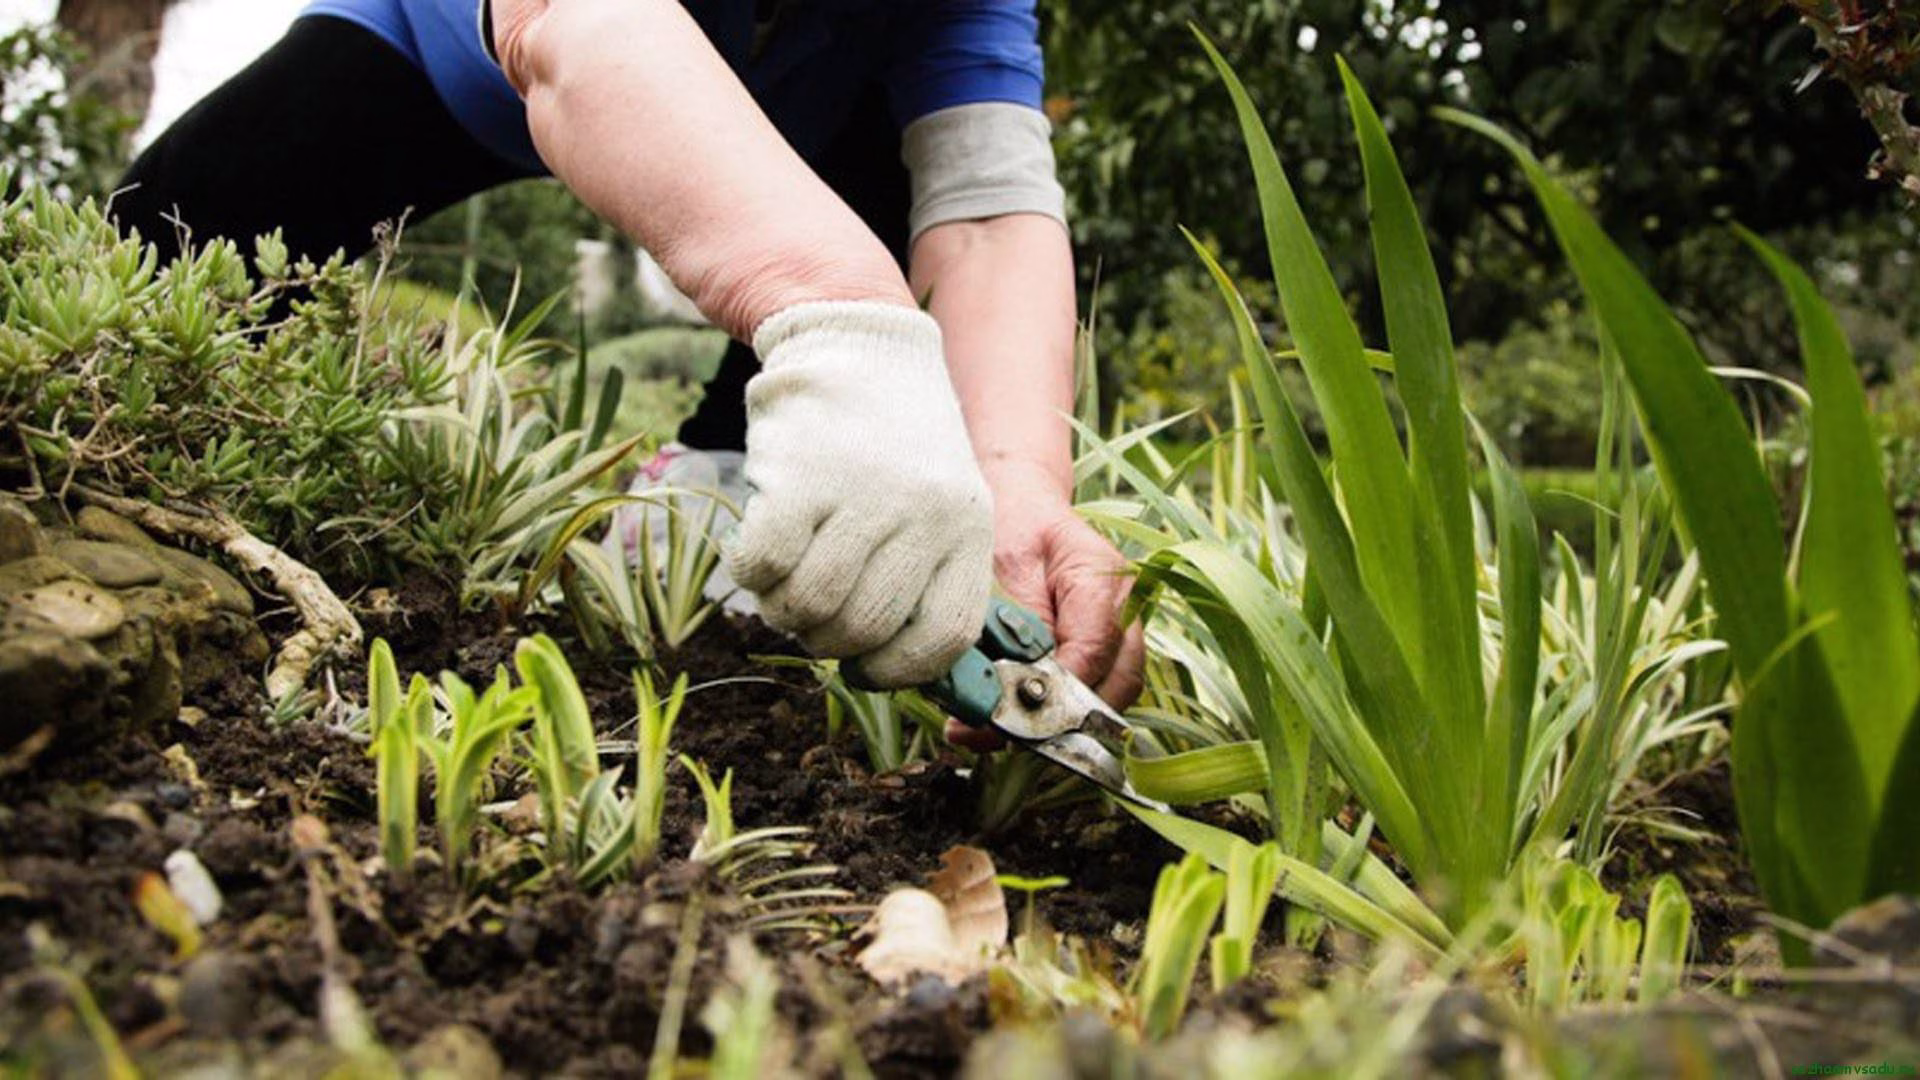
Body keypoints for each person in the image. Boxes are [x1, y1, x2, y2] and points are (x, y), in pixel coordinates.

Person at [113, 0, 1145, 726]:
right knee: (172, 241)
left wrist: (1018, 487)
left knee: (898, 140)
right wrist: (837, 316)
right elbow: (585, 27)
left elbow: (986, 210)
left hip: (792, 123)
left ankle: (726, 468)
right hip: (442, 52)